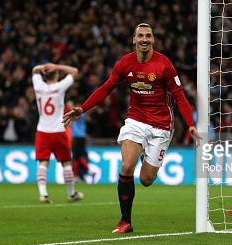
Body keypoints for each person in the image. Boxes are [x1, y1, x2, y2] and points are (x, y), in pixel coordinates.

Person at [63, 23, 202, 233]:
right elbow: (107, 87)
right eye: (140, 36)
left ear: (153, 40)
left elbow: (179, 96)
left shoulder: (164, 65)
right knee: (127, 166)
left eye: (148, 36)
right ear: (134, 40)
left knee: (146, 179)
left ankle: (149, 154)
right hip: (136, 120)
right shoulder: (126, 63)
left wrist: (191, 125)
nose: (144, 39)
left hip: (161, 125)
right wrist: (83, 108)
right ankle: (125, 221)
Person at [32, 62, 83, 204]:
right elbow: (74, 70)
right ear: (56, 75)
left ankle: (43, 194)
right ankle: (71, 194)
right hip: (58, 130)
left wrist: (43, 67)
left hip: (42, 131)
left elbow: (34, 70)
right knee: (66, 162)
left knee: (43, 162)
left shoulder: (38, 86)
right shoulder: (59, 87)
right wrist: (57, 66)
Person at [67, 99, 95, 183]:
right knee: (78, 157)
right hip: (82, 137)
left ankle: (75, 177)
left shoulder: (77, 114)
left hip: (76, 137)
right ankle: (90, 172)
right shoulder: (82, 114)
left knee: (75, 158)